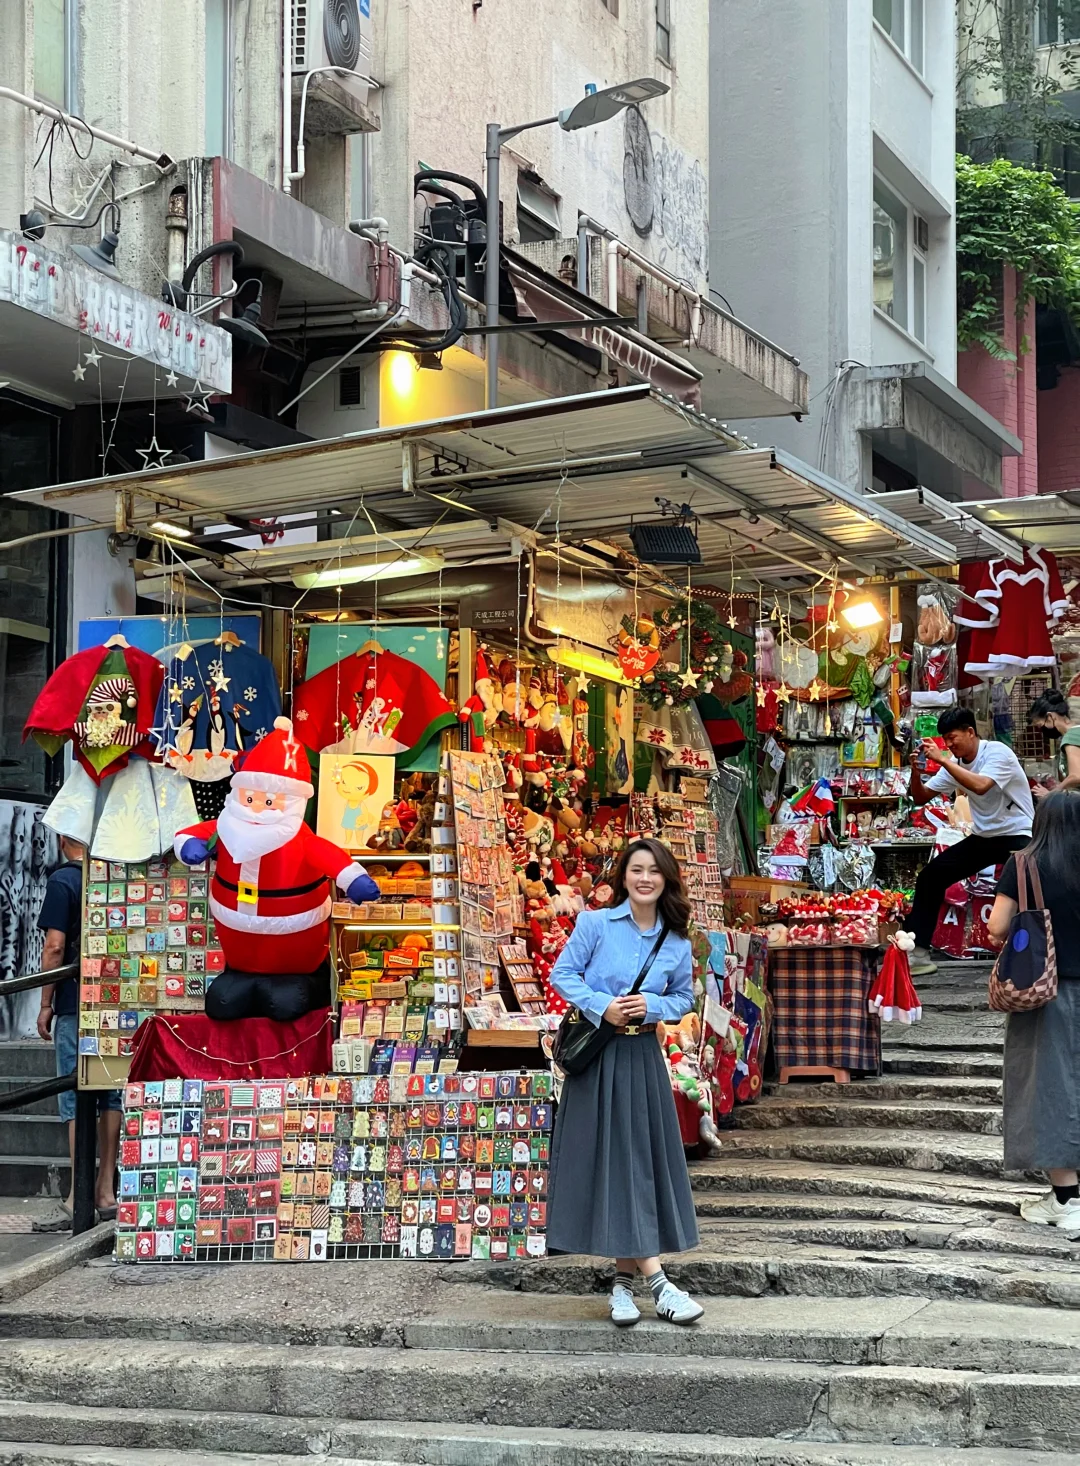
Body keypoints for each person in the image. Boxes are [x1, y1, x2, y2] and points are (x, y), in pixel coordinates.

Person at [546, 837, 704, 1327]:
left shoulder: (675, 941)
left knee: (635, 1163)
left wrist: (652, 1007)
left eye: (654, 871)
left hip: (641, 1058)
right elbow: (562, 974)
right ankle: (658, 1283)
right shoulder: (596, 923)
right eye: (636, 869)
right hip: (598, 1057)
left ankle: (622, 1287)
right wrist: (602, 1004)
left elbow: (683, 998)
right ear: (623, 876)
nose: (644, 879)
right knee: (615, 1163)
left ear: (666, 879)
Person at [987, 792, 1080, 1229]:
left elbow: (997, 927)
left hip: (1045, 993)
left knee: (1045, 1089)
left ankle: (1067, 1198)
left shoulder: (1023, 865)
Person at [32, 836, 121, 1232]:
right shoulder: (113, 877)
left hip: (74, 1002)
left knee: (74, 1094)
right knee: (110, 1092)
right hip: (117, 999)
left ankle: (76, 1195)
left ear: (64, 838)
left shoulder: (63, 881)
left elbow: (54, 947)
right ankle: (105, 1191)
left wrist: (45, 1003)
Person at [904, 706, 1033, 976]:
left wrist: (943, 760)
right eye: (946, 741)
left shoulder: (997, 752)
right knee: (931, 876)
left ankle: (1036, 951)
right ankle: (918, 953)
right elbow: (921, 797)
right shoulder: (954, 763)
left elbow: (981, 785)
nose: (950, 745)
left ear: (970, 732)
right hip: (984, 837)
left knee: (1027, 889)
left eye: (953, 738)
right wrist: (916, 773)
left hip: (1019, 834)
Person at [1028, 689, 1080, 796]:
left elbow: (1076, 776)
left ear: (1050, 716)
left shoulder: (1070, 737)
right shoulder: (1076, 731)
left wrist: (1051, 793)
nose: (1041, 729)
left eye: (1039, 725)